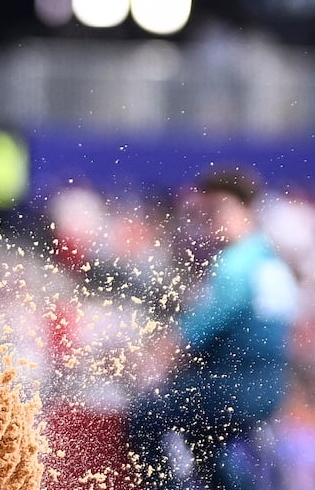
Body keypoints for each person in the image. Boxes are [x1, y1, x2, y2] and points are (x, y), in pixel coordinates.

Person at [126, 168, 299, 490]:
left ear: (245, 208)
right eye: (204, 212)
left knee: (146, 415)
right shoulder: (272, 261)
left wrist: (144, 359)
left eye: (217, 209)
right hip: (267, 388)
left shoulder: (235, 263)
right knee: (204, 444)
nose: (209, 220)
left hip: (235, 387)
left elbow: (195, 330)